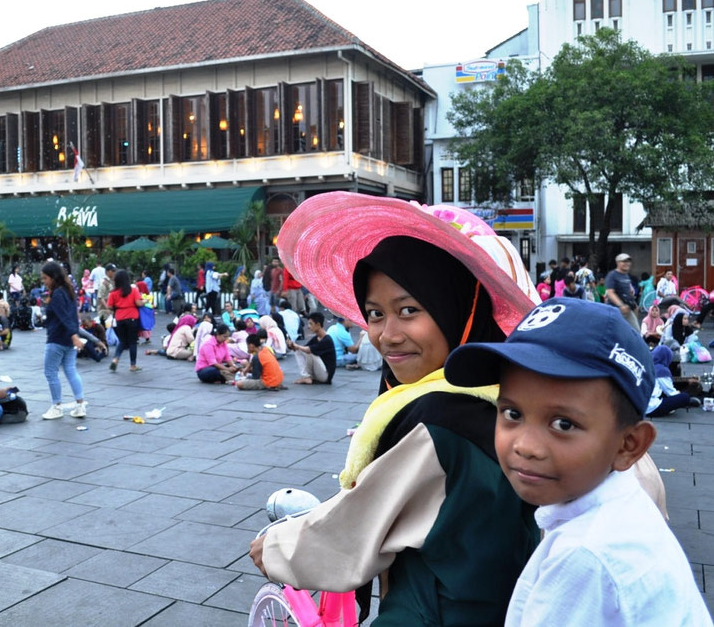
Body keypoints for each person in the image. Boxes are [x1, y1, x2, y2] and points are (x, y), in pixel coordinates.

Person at [251, 192, 543, 625]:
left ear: (457, 309)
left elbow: (351, 535)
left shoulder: (440, 422)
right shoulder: (506, 397)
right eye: (374, 314)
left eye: (409, 310)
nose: (387, 335)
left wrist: (273, 547)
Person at [443, 298, 710, 626]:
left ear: (629, 445)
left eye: (563, 424)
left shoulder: (586, 558)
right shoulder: (619, 512)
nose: (526, 446)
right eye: (512, 413)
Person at [40, 262, 88, 420]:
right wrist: (74, 334)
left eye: (45, 278)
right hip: (68, 338)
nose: (44, 281)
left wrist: (74, 335)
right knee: (70, 370)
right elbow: (73, 316)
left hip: (57, 338)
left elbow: (63, 316)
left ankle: (57, 406)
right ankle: (80, 405)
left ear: (53, 277)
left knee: (50, 372)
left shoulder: (58, 293)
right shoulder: (68, 291)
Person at [647, 345, 701, 418]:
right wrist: (683, 393)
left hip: (642, 406)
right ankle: (689, 400)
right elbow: (671, 393)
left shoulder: (647, 365)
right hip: (652, 408)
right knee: (684, 397)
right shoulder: (661, 370)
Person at [105, 269, 144, 372]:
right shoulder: (133, 290)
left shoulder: (113, 293)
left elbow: (109, 307)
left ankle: (115, 359)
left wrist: (117, 307)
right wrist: (145, 301)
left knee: (122, 341)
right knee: (132, 342)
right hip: (132, 318)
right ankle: (132, 365)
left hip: (120, 318)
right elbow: (138, 303)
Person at [288, 311, 335, 385]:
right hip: (318, 372)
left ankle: (307, 377)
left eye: (311, 324)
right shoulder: (316, 338)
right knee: (299, 351)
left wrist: (297, 346)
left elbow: (308, 349)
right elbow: (303, 348)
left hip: (325, 376)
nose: (309, 326)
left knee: (309, 351)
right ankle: (306, 376)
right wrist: (292, 346)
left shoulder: (327, 340)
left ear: (318, 325)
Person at [605, 253, 639, 330]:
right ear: (618, 263)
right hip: (616, 310)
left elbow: (626, 285)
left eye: (628, 261)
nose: (627, 264)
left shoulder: (625, 275)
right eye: (624, 261)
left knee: (635, 331)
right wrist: (621, 305)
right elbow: (610, 292)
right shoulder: (612, 275)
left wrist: (630, 288)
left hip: (628, 309)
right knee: (617, 332)